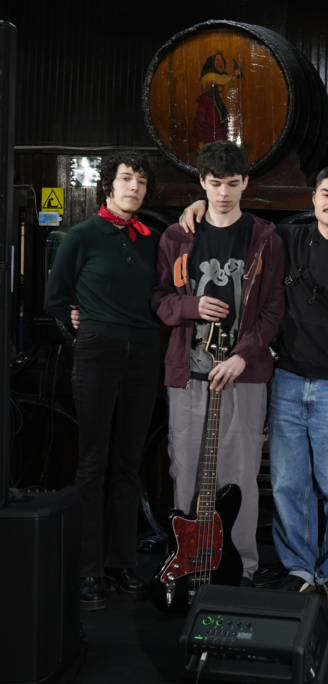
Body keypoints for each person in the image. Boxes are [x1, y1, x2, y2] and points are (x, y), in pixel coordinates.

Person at [177, 165, 328, 604]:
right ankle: (299, 568)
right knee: (289, 487)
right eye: (326, 194)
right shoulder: (287, 238)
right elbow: (236, 219)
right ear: (313, 197)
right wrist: (198, 205)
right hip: (287, 381)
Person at [151, 140, 285, 582]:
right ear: (202, 182)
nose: (223, 193)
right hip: (188, 373)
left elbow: (274, 308)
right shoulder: (177, 237)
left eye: (231, 183)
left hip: (244, 375)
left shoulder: (266, 239)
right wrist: (191, 307)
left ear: (246, 182)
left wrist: (244, 356)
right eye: (214, 183)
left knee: (240, 473)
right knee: (185, 469)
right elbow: (160, 299)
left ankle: (239, 570)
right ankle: (189, 561)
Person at [44, 151, 161, 610]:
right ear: (109, 184)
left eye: (141, 181)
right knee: (92, 461)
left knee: (129, 462)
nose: (134, 187)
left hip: (145, 353)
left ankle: (121, 564)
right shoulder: (82, 235)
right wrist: (80, 320)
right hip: (97, 351)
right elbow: (55, 298)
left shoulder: (152, 238)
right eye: (127, 178)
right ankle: (89, 570)